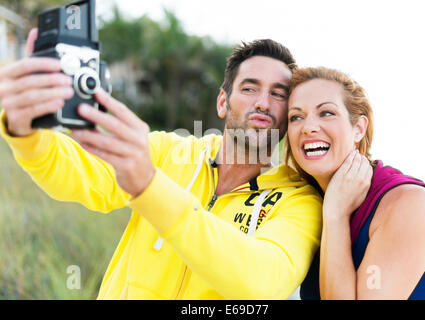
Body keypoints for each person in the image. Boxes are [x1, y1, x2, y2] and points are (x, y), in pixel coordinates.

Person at [0, 29, 323, 299]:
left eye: (278, 94)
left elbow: (262, 282)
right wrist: (25, 131)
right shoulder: (167, 150)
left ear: (289, 113)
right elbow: (76, 176)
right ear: (223, 102)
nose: (263, 103)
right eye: (249, 88)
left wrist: (149, 186)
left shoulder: (300, 200)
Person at [285, 66, 425, 299]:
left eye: (326, 113)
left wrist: (336, 215)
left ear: (359, 128)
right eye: (296, 117)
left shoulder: (409, 204)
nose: (308, 127)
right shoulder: (303, 203)